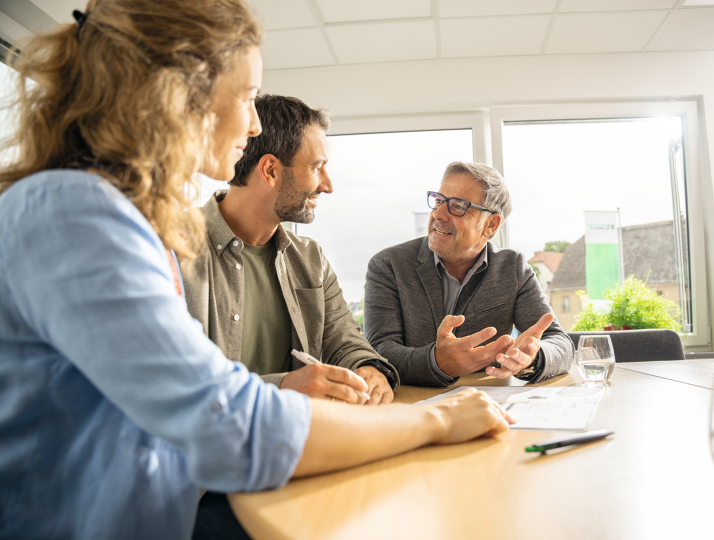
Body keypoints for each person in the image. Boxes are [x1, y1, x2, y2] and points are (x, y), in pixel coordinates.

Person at [0, 3, 513, 539]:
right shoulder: (77, 215)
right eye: (246, 98)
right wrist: (436, 419)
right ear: (183, 93)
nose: (251, 123)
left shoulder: (113, 215)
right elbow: (227, 420)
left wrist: (370, 378)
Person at [182, 94, 397, 409]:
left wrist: (368, 368)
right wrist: (282, 387)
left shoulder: (310, 259)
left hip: (300, 442)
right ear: (269, 170)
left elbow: (345, 341)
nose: (327, 185)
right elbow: (178, 381)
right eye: (316, 167)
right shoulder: (174, 249)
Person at [364, 162, 574, 387]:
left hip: (488, 403)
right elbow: (380, 351)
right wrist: (436, 362)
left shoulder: (512, 268)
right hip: (413, 405)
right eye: (438, 200)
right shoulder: (388, 265)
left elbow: (561, 343)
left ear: (491, 225)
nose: (438, 213)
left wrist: (533, 357)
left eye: (458, 206)